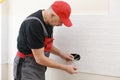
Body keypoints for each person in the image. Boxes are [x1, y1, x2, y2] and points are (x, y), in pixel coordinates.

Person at [14, 1, 77, 80]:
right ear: (52, 15)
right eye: (60, 21)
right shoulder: (34, 25)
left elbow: (45, 44)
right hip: (26, 65)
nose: (61, 25)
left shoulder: (48, 22)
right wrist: (65, 67)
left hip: (38, 65)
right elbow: (40, 59)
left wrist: (62, 55)